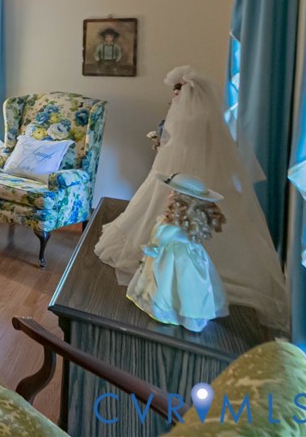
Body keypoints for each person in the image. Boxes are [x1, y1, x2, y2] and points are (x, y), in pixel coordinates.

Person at [95, 65, 288, 329]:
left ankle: (168, 280)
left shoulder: (187, 117)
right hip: (192, 168)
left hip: (181, 168)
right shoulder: (207, 116)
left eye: (176, 93)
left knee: (160, 213)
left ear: (182, 93)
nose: (174, 99)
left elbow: (177, 144)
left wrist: (163, 146)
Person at [126, 174, 228, 333]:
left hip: (175, 260)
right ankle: (181, 309)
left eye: (173, 194)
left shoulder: (173, 227)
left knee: (176, 284)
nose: (169, 196)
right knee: (176, 283)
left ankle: (180, 312)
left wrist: (154, 247)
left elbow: (161, 238)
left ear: (181, 202)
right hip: (177, 257)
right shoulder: (178, 223)